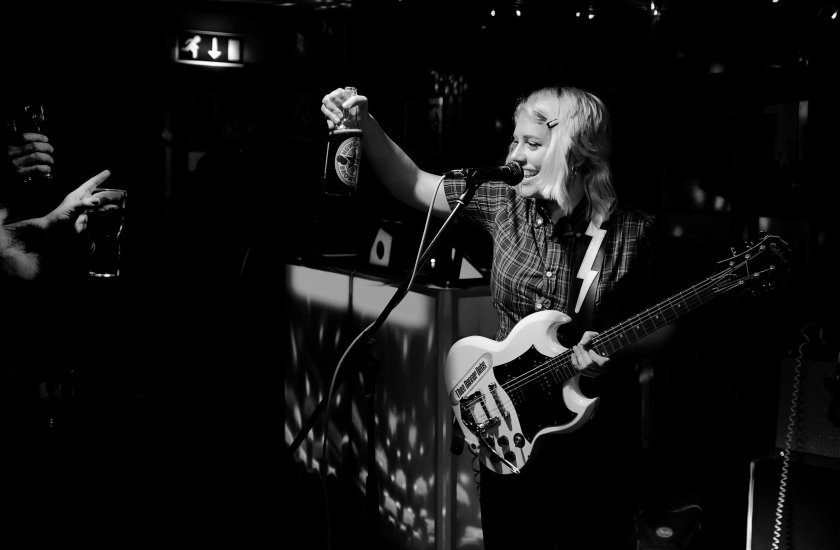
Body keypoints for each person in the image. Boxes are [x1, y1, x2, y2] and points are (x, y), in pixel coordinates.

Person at [320, 85, 675, 549]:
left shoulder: (630, 230)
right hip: (507, 421)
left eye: (533, 143)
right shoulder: (502, 201)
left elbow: (666, 326)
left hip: (594, 440)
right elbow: (414, 183)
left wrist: (612, 344)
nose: (515, 155)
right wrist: (365, 125)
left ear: (576, 151)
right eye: (515, 140)